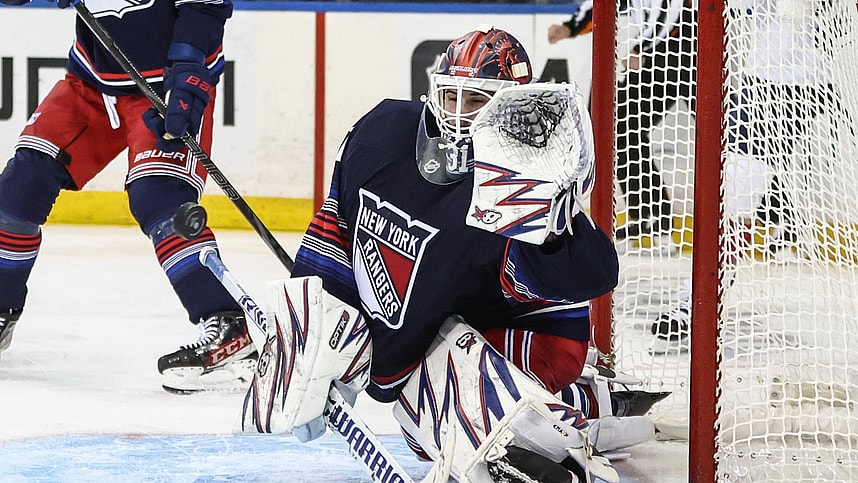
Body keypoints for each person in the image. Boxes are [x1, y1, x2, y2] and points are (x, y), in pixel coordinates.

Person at [239, 26, 664, 482]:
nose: (459, 118)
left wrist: (552, 228)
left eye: (477, 102)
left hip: (528, 333)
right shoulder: (380, 134)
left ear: (511, 107)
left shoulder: (516, 181)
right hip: (443, 322)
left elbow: (592, 274)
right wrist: (308, 340)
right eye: (450, 98)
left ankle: (574, 415)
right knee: (423, 424)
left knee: (451, 381)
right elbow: (332, 239)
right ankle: (573, 402)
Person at [0, 0, 257, 393]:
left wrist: (189, 70)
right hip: (90, 82)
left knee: (159, 198)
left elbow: (204, 6)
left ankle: (230, 324)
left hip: (165, 85)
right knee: (21, 187)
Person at [651, 0, 855, 352]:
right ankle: (697, 298)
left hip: (803, 90)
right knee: (731, 196)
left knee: (738, 193)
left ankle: (700, 297)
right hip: (759, 88)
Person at [549, 0, 697, 253]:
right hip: (662, 53)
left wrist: (646, 50)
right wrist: (571, 26)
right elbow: (602, 4)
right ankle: (650, 220)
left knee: (723, 136)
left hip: (687, 51)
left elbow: (673, 14)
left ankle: (776, 214)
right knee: (620, 131)